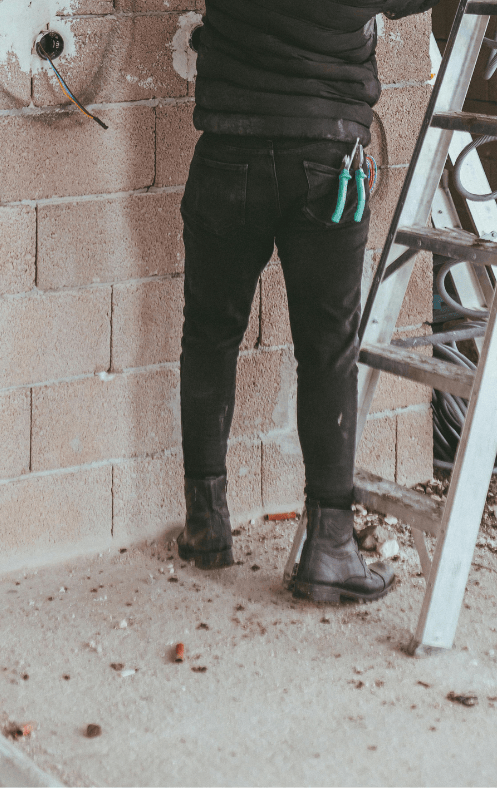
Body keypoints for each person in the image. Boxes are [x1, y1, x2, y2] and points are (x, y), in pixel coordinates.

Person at [175, 0, 440, 603]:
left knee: (210, 339)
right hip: (327, 155)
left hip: (227, 148)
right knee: (327, 355)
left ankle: (206, 524)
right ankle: (330, 547)